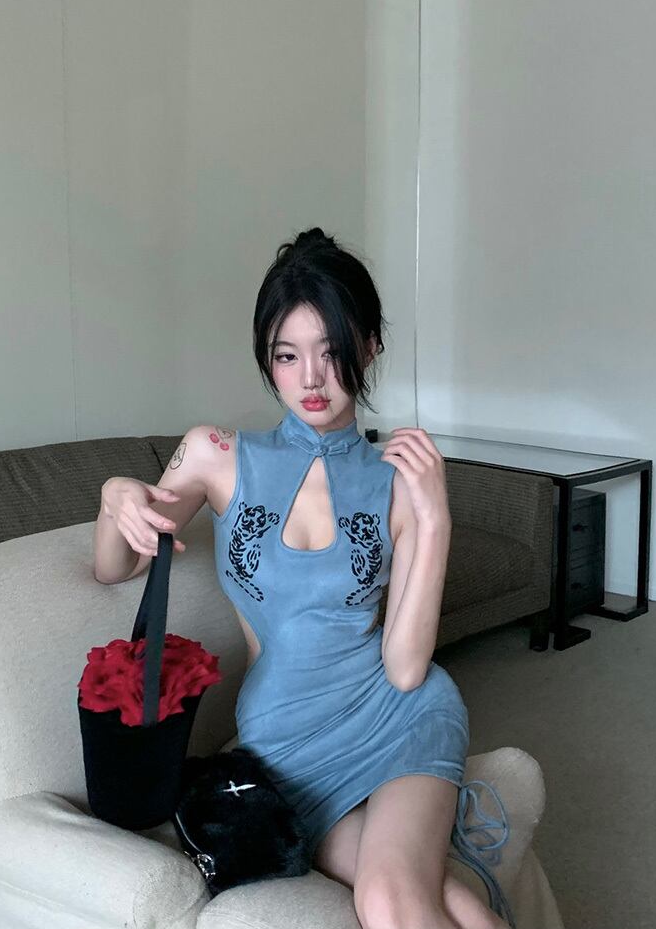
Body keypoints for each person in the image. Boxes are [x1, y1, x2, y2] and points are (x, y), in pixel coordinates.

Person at [93, 227, 513, 929]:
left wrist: (436, 518)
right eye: (287, 355)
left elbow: (406, 668)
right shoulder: (215, 455)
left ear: (369, 346)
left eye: (331, 352)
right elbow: (115, 565)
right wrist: (115, 496)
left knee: (386, 897)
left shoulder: (398, 481)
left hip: (397, 719)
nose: (310, 379)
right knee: (439, 897)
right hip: (282, 750)